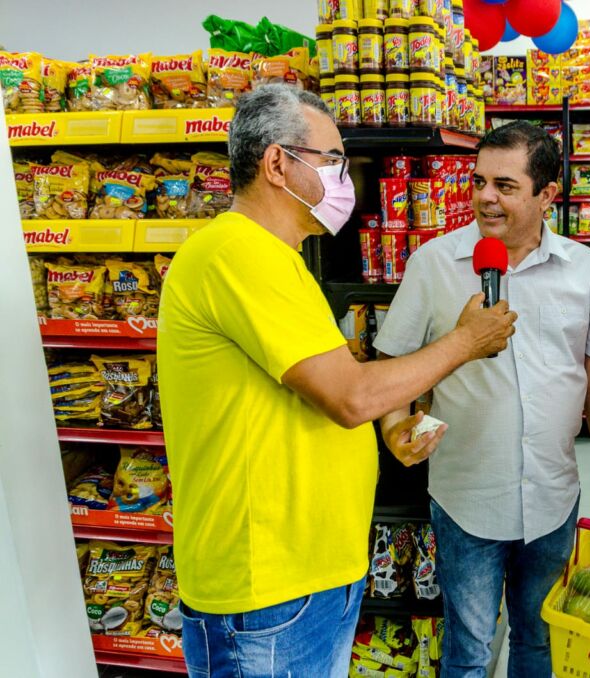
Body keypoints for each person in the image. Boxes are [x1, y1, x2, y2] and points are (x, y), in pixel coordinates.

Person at [157, 84, 516, 678]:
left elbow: (328, 388)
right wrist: (465, 342)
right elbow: (350, 396)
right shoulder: (237, 253)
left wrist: (389, 432)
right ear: (277, 163)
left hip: (305, 576)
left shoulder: (277, 259)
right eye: (332, 160)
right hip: (268, 587)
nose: (344, 178)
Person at [373, 120, 590, 678]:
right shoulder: (433, 264)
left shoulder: (585, 270)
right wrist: (394, 427)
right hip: (466, 496)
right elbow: (391, 366)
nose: (485, 198)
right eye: (478, 182)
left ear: (548, 194)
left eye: (505, 185)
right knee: (468, 647)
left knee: (539, 640)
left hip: (552, 495)